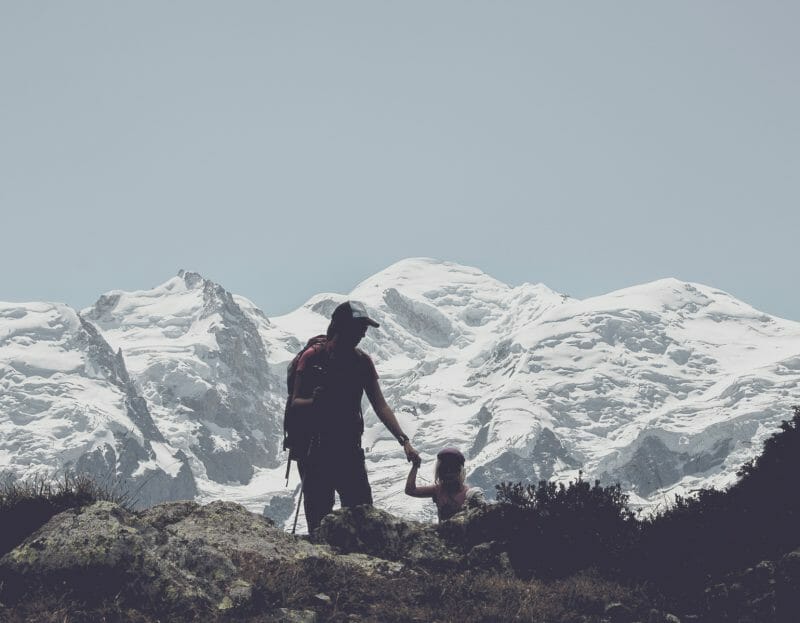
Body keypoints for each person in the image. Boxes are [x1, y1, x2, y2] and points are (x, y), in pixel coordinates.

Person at [291, 300, 420, 533]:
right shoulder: (312, 358)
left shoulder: (361, 361)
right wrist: (315, 402)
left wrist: (403, 439)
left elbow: (380, 405)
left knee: (362, 517)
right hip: (315, 450)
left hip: (348, 448)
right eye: (359, 328)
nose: (363, 334)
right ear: (343, 328)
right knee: (320, 519)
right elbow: (296, 403)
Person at [405, 447, 485, 521]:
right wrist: (415, 466)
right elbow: (410, 490)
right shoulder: (437, 490)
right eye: (444, 469)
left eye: (453, 469)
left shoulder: (468, 495)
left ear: (460, 471)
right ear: (439, 472)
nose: (448, 473)